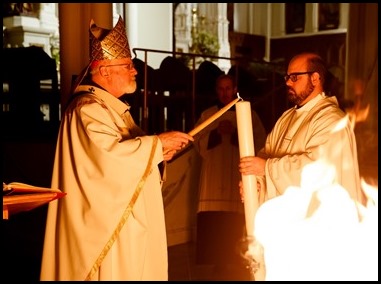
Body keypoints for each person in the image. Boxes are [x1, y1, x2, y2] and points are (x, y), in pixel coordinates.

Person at [40, 16, 193, 281]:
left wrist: (158, 155)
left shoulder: (112, 109)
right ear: (105, 70)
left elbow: (130, 154)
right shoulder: (87, 109)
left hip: (127, 225)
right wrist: (157, 144)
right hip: (108, 232)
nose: (135, 71)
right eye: (128, 65)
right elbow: (108, 160)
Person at [238, 52, 365, 212]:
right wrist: (256, 184)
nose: (288, 83)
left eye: (295, 77)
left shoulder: (331, 120)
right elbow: (266, 154)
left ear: (315, 78)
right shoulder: (286, 118)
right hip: (283, 221)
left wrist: (266, 169)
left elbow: (320, 170)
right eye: (287, 77)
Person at [193, 74, 266, 278]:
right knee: (215, 221)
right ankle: (216, 261)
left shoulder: (250, 115)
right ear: (216, 91)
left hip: (237, 170)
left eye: (228, 88)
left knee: (234, 219)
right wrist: (215, 133)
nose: (225, 93)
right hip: (214, 174)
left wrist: (234, 132)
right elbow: (197, 141)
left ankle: (235, 259)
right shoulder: (208, 114)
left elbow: (261, 141)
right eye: (220, 89)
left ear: (235, 89)